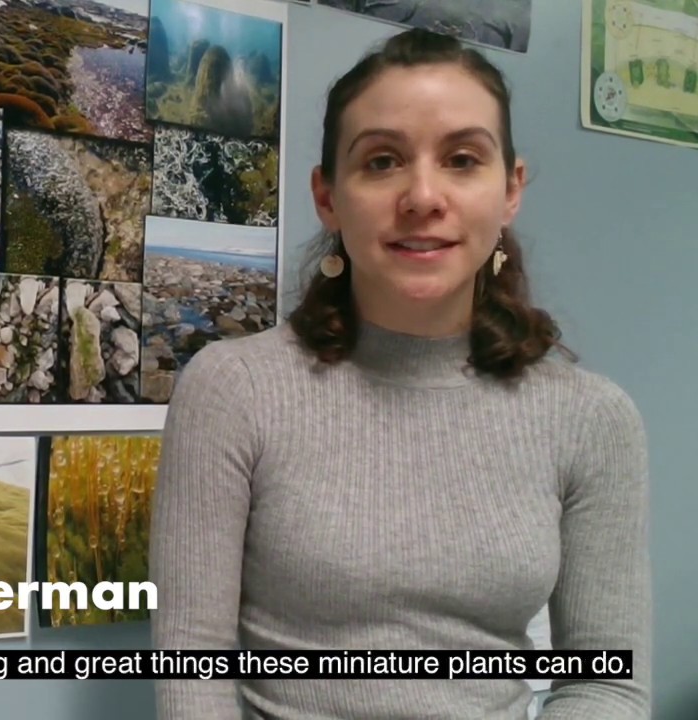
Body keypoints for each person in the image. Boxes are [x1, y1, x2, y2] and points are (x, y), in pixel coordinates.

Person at [148, 27, 651, 719]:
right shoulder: (233, 390)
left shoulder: (593, 420)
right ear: (328, 196)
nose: (422, 195)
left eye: (462, 159)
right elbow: (192, 671)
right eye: (382, 161)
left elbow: (607, 683)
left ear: (510, 191)